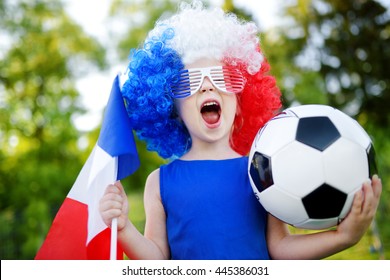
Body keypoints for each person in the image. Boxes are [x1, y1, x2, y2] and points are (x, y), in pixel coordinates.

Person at [99, 1, 382, 260]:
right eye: (189, 82)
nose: (208, 86)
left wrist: (344, 237)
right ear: (169, 106)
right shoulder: (158, 182)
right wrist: (123, 228)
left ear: (242, 97)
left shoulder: (263, 170)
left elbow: (280, 248)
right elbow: (157, 260)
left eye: (223, 78)